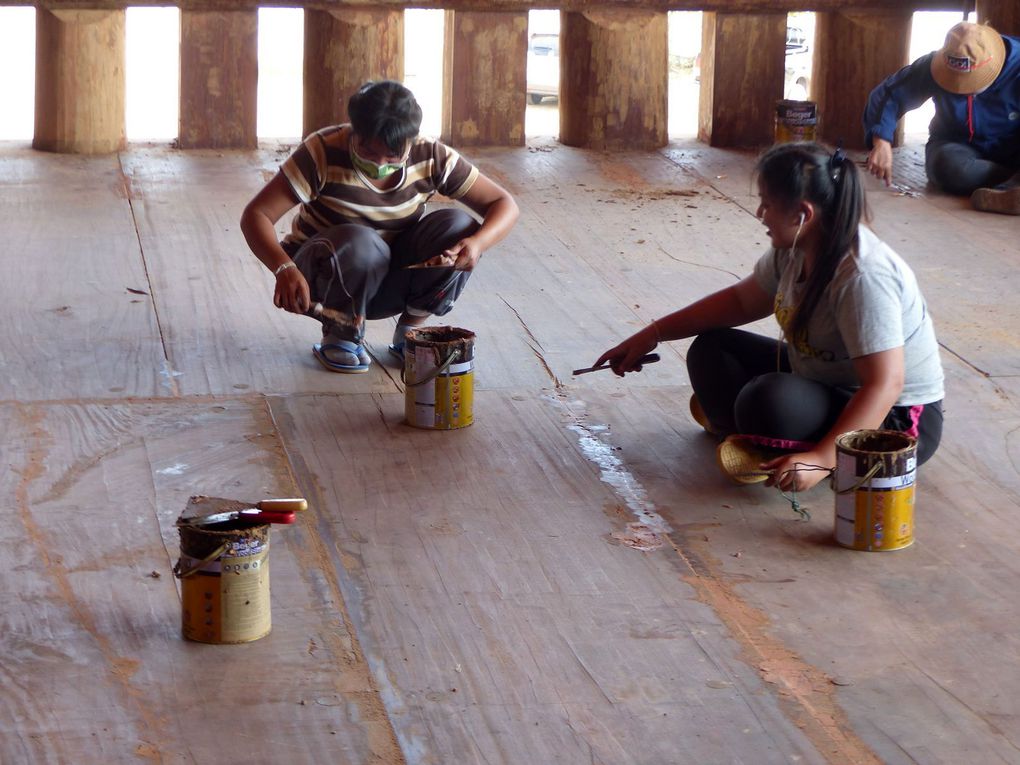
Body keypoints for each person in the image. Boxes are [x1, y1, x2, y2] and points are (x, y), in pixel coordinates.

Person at [595, 142, 945, 493]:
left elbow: (885, 384)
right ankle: (762, 437)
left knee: (767, 401)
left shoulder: (863, 276)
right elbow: (739, 302)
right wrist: (654, 333)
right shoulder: (796, 248)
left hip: (896, 420)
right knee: (711, 349)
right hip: (825, 380)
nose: (760, 213)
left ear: (802, 214)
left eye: (767, 203)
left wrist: (822, 461)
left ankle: (779, 442)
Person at [240, 80, 519, 373]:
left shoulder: (431, 155)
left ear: (411, 142)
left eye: (393, 157)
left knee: (459, 227)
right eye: (369, 153)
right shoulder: (322, 151)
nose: (380, 164)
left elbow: (504, 204)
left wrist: (477, 244)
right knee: (362, 242)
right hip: (324, 280)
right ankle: (340, 334)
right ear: (354, 132)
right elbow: (256, 214)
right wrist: (284, 268)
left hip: (390, 279)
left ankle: (410, 330)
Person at [864, 21, 1020, 215]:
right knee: (947, 168)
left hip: (1013, 146)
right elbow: (889, 94)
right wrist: (881, 141)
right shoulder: (934, 65)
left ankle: (1007, 191)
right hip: (957, 146)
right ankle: (1011, 186)